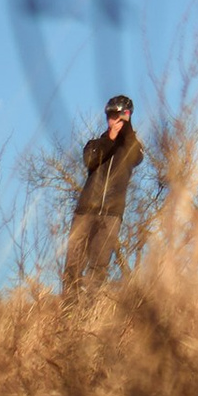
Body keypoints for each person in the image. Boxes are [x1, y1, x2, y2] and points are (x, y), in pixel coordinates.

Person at [63, 92, 145, 286]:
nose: (114, 120)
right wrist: (111, 137)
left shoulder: (131, 147)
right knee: (73, 264)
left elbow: (137, 157)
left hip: (112, 214)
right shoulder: (95, 144)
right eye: (111, 116)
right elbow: (89, 160)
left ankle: (89, 312)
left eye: (118, 116)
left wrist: (127, 128)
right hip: (85, 211)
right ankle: (69, 309)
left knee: (99, 266)